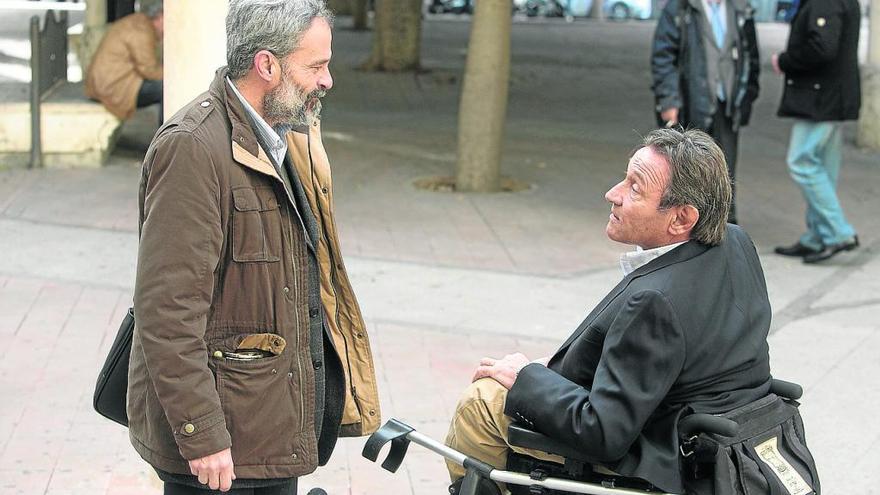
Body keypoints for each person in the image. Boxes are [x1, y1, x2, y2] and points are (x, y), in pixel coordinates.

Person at [128, 1, 381, 493]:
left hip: (268, 434)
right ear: (267, 65)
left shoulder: (287, 138)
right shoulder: (193, 148)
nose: (327, 80)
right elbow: (167, 312)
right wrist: (201, 433)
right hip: (223, 451)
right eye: (316, 66)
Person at [445, 128, 771, 494]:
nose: (612, 194)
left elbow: (603, 432)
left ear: (680, 219)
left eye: (635, 188)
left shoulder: (654, 302)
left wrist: (528, 378)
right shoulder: (735, 240)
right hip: (724, 419)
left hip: (667, 452)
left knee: (482, 402)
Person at [650, 0, 760, 224]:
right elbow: (663, 57)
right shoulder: (680, 8)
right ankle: (688, 227)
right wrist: (669, 100)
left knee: (725, 171)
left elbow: (751, 56)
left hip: (727, 105)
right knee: (689, 170)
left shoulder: (740, 9)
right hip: (691, 104)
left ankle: (725, 228)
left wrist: (747, 96)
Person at [771, 0, 861, 263]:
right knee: (823, 167)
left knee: (802, 162)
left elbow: (823, 48)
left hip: (821, 99)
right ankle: (817, 236)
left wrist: (785, 61)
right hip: (832, 98)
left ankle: (838, 233)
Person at [84, 3, 164, 122]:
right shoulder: (141, 30)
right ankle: (165, 137)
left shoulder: (139, 23)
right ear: (159, 17)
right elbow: (149, 70)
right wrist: (175, 74)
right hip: (113, 88)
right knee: (165, 89)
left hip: (107, 83)